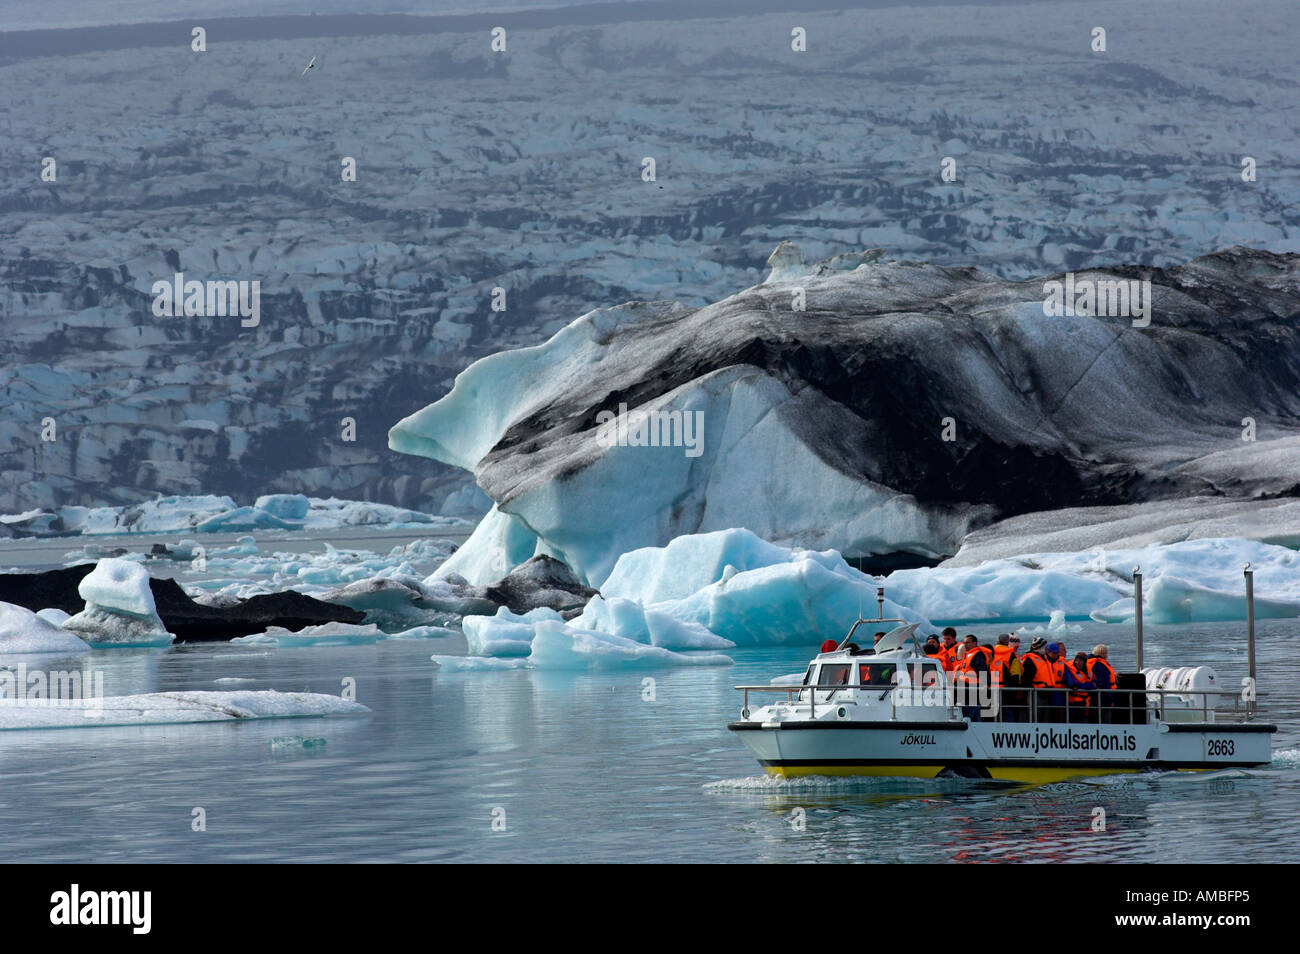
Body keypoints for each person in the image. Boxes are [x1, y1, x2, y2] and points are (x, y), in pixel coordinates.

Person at [955, 635, 993, 721]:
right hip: (967, 690)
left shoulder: (977, 655)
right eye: (964, 642)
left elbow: (982, 670)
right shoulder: (968, 655)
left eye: (967, 642)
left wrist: (984, 684)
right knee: (974, 715)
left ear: (974, 643)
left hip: (972, 690)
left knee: (969, 715)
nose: (965, 644)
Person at [1087, 644, 1119, 723]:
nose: (1106, 656)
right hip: (1103, 698)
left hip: (1093, 697)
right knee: (1105, 720)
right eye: (1105, 653)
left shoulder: (1090, 663)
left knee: (1095, 719)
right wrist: (1111, 699)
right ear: (1101, 654)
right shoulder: (1101, 665)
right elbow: (1105, 683)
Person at [1063, 651, 1096, 722]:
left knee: (1086, 721)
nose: (1077, 663)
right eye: (1076, 660)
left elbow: (1095, 682)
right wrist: (1088, 685)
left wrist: (1087, 685)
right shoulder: (1069, 668)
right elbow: (1073, 684)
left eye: (1080, 661)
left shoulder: (1089, 668)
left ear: (1084, 662)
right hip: (1074, 702)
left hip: (1087, 701)